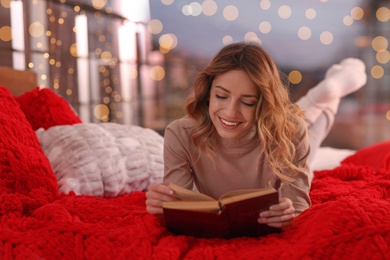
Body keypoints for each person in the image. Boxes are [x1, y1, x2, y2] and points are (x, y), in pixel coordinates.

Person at [146, 42, 367, 229]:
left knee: (307, 128)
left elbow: (297, 205)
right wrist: (164, 207)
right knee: (299, 121)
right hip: (270, 126)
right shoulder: (180, 133)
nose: (230, 112)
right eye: (221, 96)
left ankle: (333, 89)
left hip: (278, 130)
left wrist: (289, 213)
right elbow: (180, 205)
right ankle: (324, 92)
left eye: (247, 102)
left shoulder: (291, 133)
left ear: (263, 104)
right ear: (208, 92)